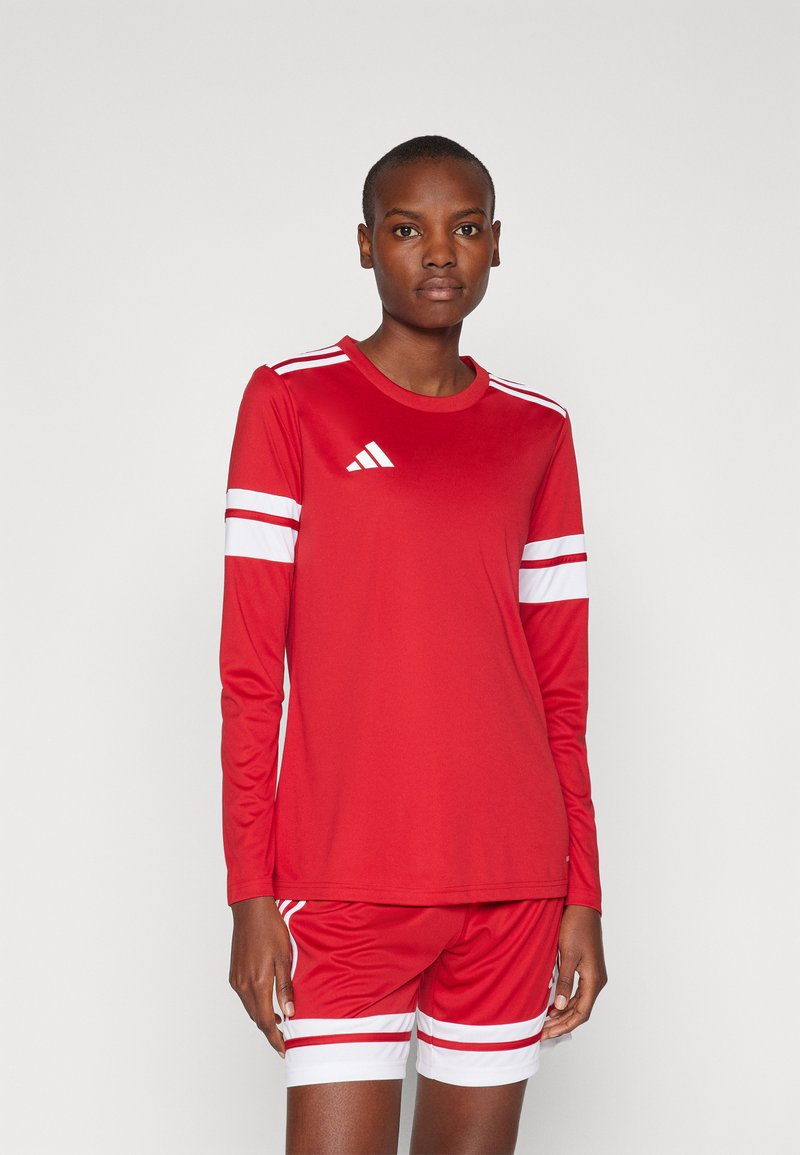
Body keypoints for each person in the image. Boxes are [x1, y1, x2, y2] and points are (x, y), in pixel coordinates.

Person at [219, 134, 608, 1155]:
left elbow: (559, 690)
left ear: (495, 244)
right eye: (406, 229)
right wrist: (250, 893)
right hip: (348, 881)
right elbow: (249, 677)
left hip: (513, 882)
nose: (439, 252)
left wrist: (582, 894)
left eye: (464, 227)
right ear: (365, 246)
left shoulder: (536, 431)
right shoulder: (292, 402)